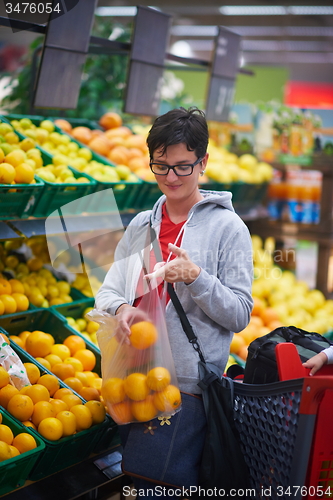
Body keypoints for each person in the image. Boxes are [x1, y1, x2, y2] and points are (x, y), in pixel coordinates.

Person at [95, 107, 254, 496]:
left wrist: (197, 277)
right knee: (136, 482)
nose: (170, 177)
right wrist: (121, 308)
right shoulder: (140, 225)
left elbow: (240, 314)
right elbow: (108, 290)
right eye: (160, 166)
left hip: (183, 389)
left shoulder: (228, 229)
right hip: (132, 379)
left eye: (183, 167)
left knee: (159, 487)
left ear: (203, 163)